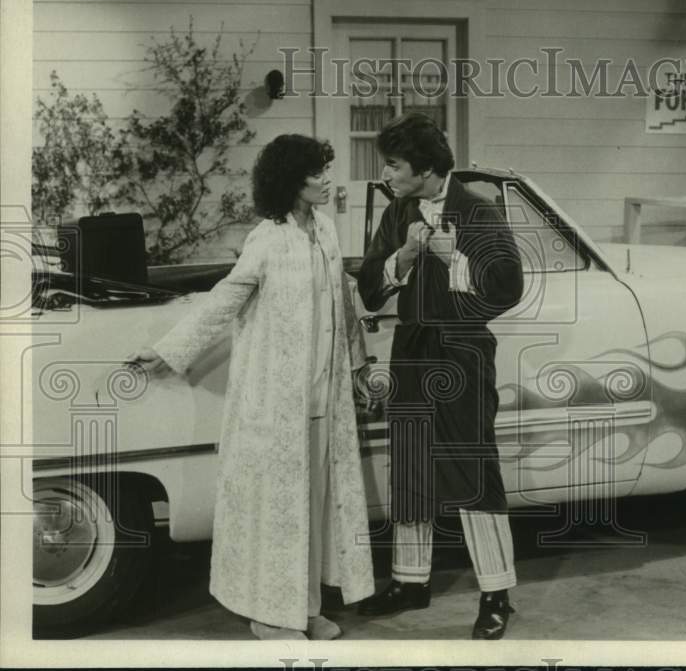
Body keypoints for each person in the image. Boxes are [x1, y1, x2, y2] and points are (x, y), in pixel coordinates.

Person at [127, 134, 374, 640]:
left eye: (326, 171)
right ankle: (270, 615)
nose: (327, 181)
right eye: (318, 174)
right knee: (277, 515)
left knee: (312, 513)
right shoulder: (268, 237)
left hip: (324, 402)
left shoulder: (325, 230)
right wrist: (170, 348)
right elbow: (227, 296)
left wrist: (358, 365)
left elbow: (343, 304)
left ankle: (304, 610)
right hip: (276, 404)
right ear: (291, 180)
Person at [356, 112, 523, 640]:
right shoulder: (398, 208)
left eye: (395, 164)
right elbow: (368, 286)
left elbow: (507, 287)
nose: (388, 172)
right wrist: (401, 258)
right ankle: (410, 582)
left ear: (426, 169)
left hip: (464, 352)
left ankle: (497, 594)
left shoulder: (479, 208)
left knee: (472, 469)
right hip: (412, 348)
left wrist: (458, 263)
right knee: (410, 464)